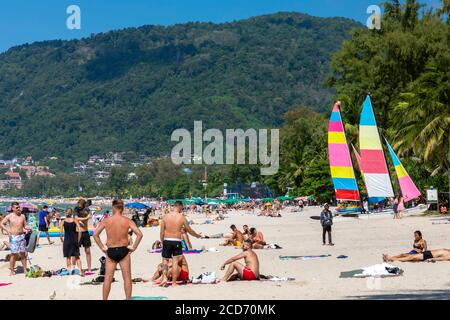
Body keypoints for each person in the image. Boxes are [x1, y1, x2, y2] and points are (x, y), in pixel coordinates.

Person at [93, 200, 143, 300]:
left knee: (108, 278)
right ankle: (128, 299)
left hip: (111, 250)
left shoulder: (107, 221)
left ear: (113, 207)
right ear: (122, 208)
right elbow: (139, 234)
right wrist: (133, 247)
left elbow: (95, 235)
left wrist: (102, 247)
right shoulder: (127, 220)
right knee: (127, 278)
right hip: (123, 250)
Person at [159, 201, 202, 287]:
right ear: (180, 207)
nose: (182, 210)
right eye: (182, 208)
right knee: (175, 262)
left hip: (167, 240)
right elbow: (189, 230)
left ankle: (164, 278)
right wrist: (197, 235)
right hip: (176, 241)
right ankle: (174, 283)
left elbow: (161, 232)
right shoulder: (181, 218)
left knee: (165, 261)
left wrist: (162, 242)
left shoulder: (165, 217)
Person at [0, 202, 31, 275]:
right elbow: (1, 223)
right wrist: (7, 230)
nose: (18, 209)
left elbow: (25, 226)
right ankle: (12, 270)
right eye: (16, 208)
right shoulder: (9, 216)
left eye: (18, 207)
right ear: (13, 208)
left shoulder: (22, 216)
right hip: (14, 237)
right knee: (13, 254)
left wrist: (29, 228)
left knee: (23, 254)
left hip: (22, 236)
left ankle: (24, 270)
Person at [59, 208, 83, 275]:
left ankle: (69, 271)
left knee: (68, 257)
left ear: (66, 213)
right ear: (72, 213)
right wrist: (78, 239)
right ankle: (80, 271)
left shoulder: (63, 221)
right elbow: (80, 230)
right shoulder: (74, 220)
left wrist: (62, 240)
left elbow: (60, 233)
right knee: (77, 256)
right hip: (74, 240)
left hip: (67, 240)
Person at [74, 199, 92, 272]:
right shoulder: (76, 209)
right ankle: (75, 267)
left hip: (85, 232)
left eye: (80, 206)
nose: (79, 207)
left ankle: (89, 269)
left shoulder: (87, 209)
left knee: (87, 251)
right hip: (77, 232)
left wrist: (83, 219)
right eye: (78, 205)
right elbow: (76, 218)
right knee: (75, 251)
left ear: (83, 205)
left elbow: (89, 216)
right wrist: (85, 218)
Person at [383, 249, 450, 262]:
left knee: (410, 257)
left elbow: (443, 258)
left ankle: (390, 259)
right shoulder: (448, 250)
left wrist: (431, 259)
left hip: (429, 255)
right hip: (427, 252)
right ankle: (391, 257)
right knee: (404, 254)